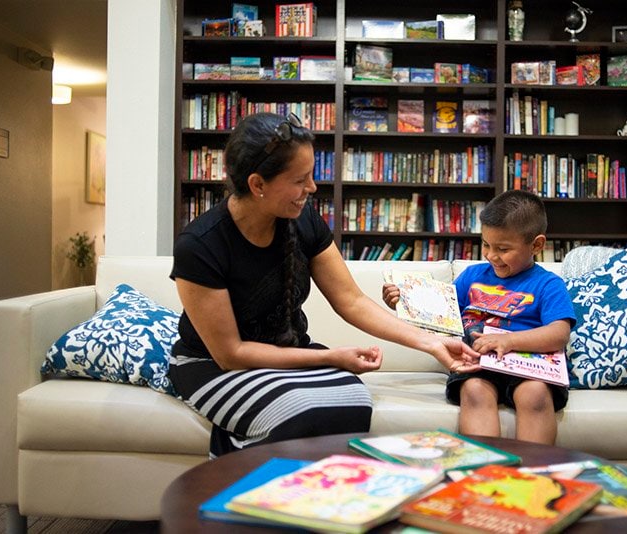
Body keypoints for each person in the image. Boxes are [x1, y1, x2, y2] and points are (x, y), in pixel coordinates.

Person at [169, 112, 479, 458]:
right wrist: (332, 357)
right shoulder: (200, 245)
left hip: (290, 356)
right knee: (304, 412)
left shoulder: (303, 221)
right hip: (214, 366)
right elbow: (231, 354)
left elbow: (351, 300)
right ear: (258, 185)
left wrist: (433, 343)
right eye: (301, 179)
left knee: (354, 402)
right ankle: (231, 477)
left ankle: (312, 500)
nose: (312, 188)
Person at [383, 190, 575, 444]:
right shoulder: (471, 277)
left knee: (536, 394)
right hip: (478, 364)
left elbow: (558, 334)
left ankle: (533, 474)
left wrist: (508, 341)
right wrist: (405, 303)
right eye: (486, 244)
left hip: (529, 368)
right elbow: (443, 317)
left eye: (503, 249)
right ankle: (483, 472)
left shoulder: (549, 284)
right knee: (473, 390)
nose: (491, 255)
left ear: (537, 245)